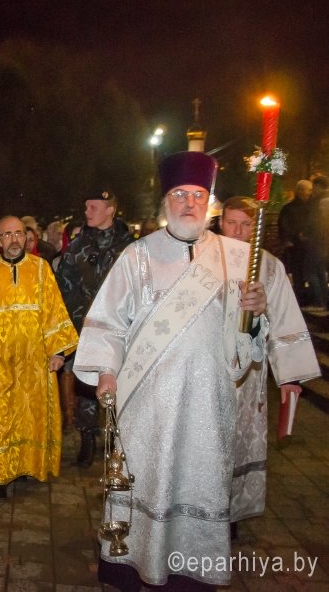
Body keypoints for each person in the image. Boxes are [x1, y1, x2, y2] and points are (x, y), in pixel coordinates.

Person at [73, 151, 269, 590]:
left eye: (197, 195)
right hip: (148, 402)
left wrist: (256, 315)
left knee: (200, 482)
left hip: (209, 402)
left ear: (210, 203)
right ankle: (131, 562)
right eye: (179, 194)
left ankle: (191, 571)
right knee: (145, 479)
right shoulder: (138, 255)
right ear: (166, 201)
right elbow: (106, 322)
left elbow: (248, 343)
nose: (188, 203)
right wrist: (106, 371)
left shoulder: (236, 258)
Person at [0, 215, 78, 499]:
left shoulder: (41, 269)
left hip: (35, 361)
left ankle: (26, 464)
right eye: (7, 235)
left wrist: (58, 351)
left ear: (26, 236)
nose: (14, 239)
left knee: (30, 415)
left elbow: (54, 310)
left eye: (19, 233)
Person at [218, 196, 319, 530]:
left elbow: (285, 317)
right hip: (210, 368)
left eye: (246, 224)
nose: (238, 231)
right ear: (221, 223)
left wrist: (289, 375)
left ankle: (232, 511)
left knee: (239, 437)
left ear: (256, 227)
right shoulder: (204, 261)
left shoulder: (269, 266)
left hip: (249, 374)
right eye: (231, 223)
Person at [54, 188, 134, 468]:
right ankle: (87, 437)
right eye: (86, 206)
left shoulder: (130, 247)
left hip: (122, 329)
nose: (87, 212)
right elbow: (63, 286)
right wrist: (71, 322)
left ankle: (116, 439)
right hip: (85, 328)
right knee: (86, 385)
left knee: (120, 383)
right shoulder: (78, 246)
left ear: (110, 209)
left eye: (93, 207)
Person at [278, 179, 324, 308]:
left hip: (310, 244)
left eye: (309, 190)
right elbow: (283, 225)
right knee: (298, 273)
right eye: (305, 190)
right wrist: (287, 240)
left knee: (311, 272)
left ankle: (315, 300)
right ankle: (301, 300)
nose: (307, 193)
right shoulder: (289, 208)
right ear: (298, 191)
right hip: (296, 245)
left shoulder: (313, 207)